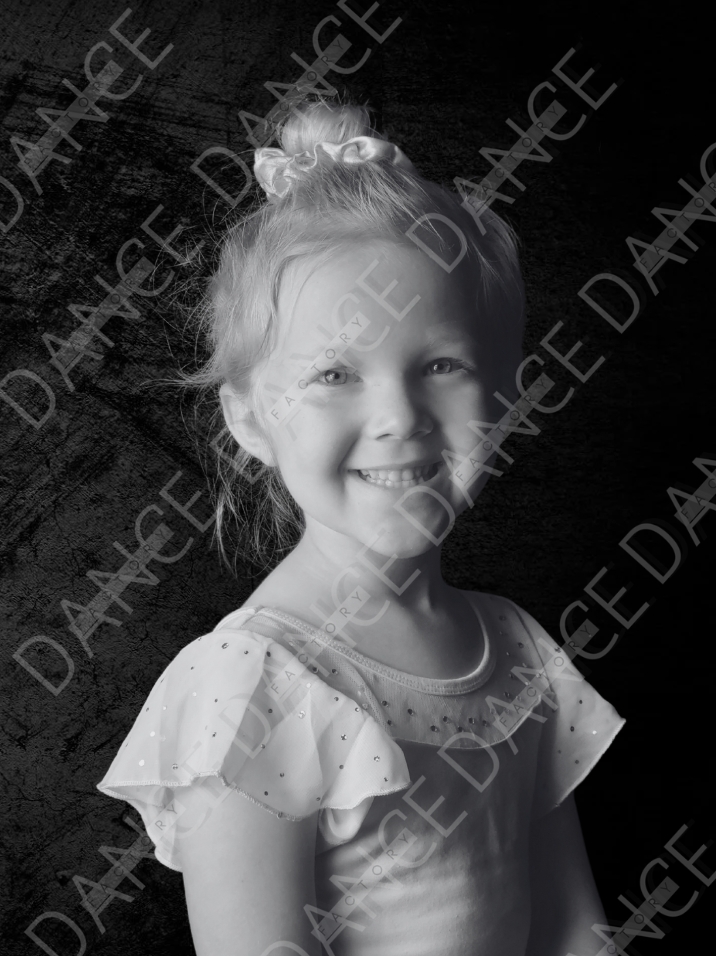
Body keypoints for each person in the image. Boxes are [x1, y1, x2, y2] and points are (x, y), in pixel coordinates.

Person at [97, 97, 625, 956]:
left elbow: (576, 930)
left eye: (442, 364)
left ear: (504, 394)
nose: (399, 417)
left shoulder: (514, 645)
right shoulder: (252, 687)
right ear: (249, 418)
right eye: (336, 374)